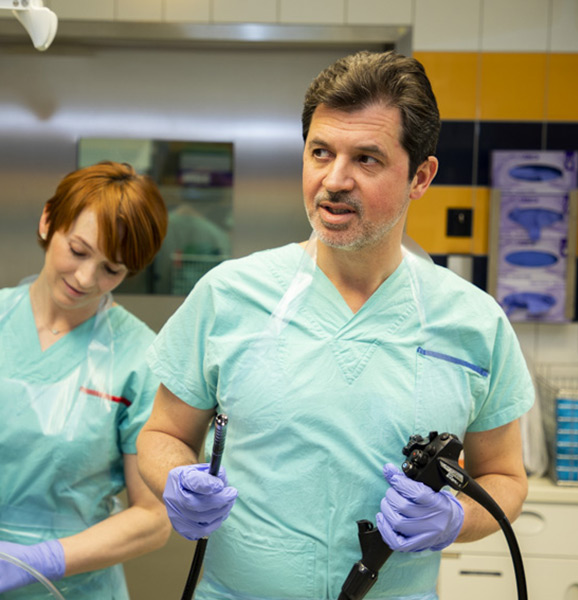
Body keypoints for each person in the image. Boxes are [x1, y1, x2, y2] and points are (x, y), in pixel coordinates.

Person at [136, 50, 534, 600]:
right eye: (320, 152)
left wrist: (453, 520)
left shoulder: (473, 322)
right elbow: (162, 434)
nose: (334, 180)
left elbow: (507, 479)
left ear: (420, 176)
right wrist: (174, 481)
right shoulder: (229, 295)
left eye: (367, 159)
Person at [0, 161, 171, 600]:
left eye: (112, 270)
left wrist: (44, 559)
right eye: (79, 250)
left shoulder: (140, 359)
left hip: (72, 590)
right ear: (48, 220)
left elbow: (154, 519)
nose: (86, 279)